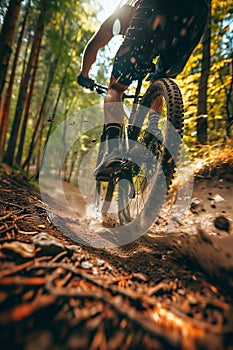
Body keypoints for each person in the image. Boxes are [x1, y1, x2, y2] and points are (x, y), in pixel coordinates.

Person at [78, 0, 209, 177]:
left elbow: (93, 46)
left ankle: (114, 151)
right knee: (160, 76)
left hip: (155, 6)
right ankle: (152, 131)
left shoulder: (124, 10)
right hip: (197, 12)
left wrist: (84, 75)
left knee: (115, 88)